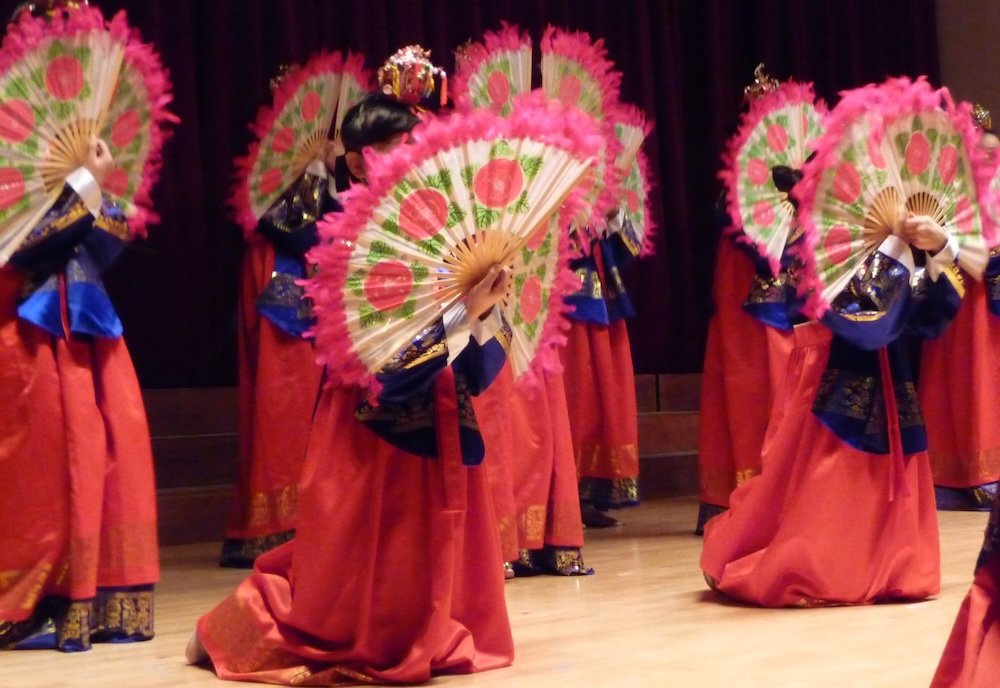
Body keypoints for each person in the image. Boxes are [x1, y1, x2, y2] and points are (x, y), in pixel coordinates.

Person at [187, 79, 516, 683]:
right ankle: (249, 622)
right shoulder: (341, 233)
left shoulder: (440, 225)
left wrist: (485, 307)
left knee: (434, 550)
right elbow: (376, 361)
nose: (411, 156)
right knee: (358, 578)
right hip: (369, 424)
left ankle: (430, 622)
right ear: (362, 156)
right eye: (396, 145)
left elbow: (473, 353)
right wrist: (460, 316)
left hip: (441, 405)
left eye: (416, 144)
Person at [701, 210, 965, 607]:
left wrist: (938, 249)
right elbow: (851, 311)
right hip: (829, 369)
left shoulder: (901, 222)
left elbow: (928, 317)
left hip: (890, 368)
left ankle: (896, 564)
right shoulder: (818, 226)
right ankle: (828, 567)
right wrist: (895, 248)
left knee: (889, 466)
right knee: (830, 473)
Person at [0, 133, 159, 650]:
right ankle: (28, 596)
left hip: (88, 331)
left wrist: (92, 186)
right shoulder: (15, 180)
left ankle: (94, 594)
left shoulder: (74, 183)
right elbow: (25, 244)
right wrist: (84, 184)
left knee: (111, 454)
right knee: (42, 468)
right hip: (24, 334)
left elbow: (104, 243)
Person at [220, 64, 342, 568]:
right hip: (280, 296)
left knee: (310, 407)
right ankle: (274, 524)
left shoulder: (323, 178)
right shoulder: (266, 178)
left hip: (312, 294)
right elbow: (297, 233)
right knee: (282, 404)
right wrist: (315, 175)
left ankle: (315, 518)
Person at [919, 106, 1000, 511]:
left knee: (986, 381)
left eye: (993, 153)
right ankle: (957, 476)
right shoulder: (945, 196)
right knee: (958, 381)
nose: (988, 160)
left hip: (989, 302)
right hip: (958, 299)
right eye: (979, 153)